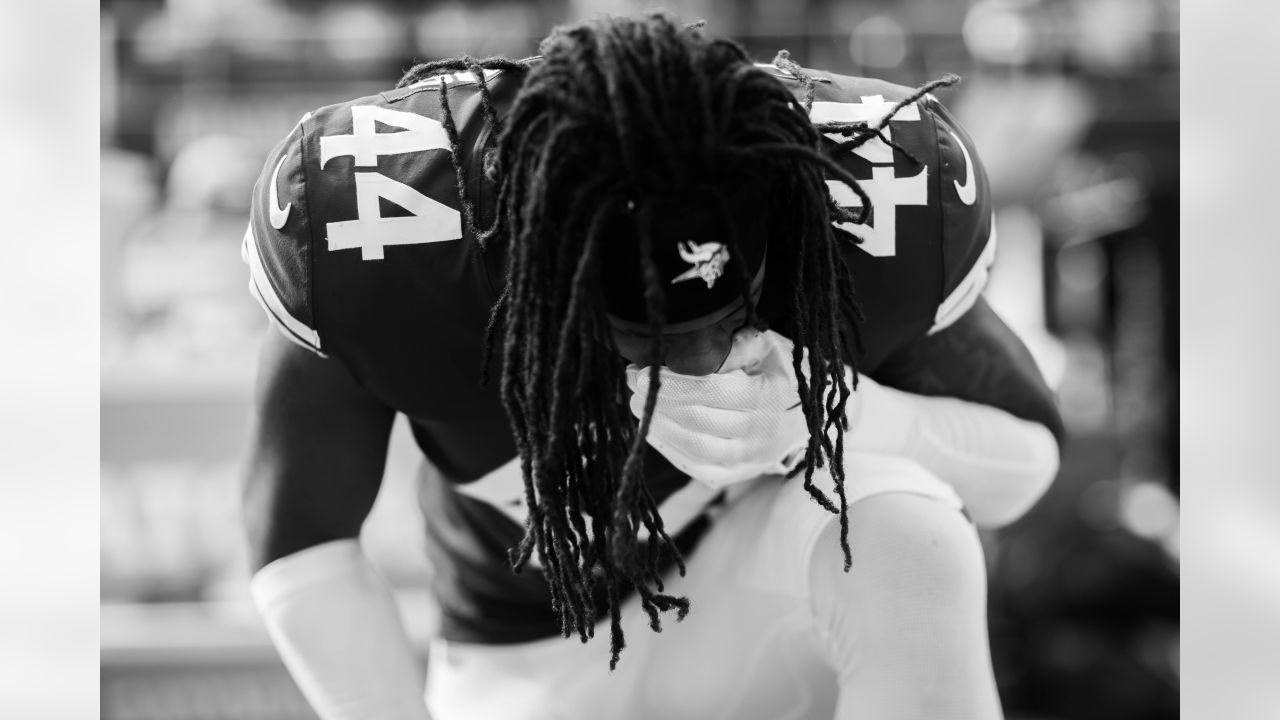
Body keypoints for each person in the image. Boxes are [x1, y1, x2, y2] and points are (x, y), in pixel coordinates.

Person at [242, 13, 1062, 720]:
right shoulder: (380, 240)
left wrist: (839, 410)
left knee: (908, 536)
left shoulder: (863, 205)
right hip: (529, 658)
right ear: (533, 266)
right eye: (651, 331)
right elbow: (301, 550)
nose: (705, 361)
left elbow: (1021, 467)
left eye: (730, 310)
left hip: (766, 608)